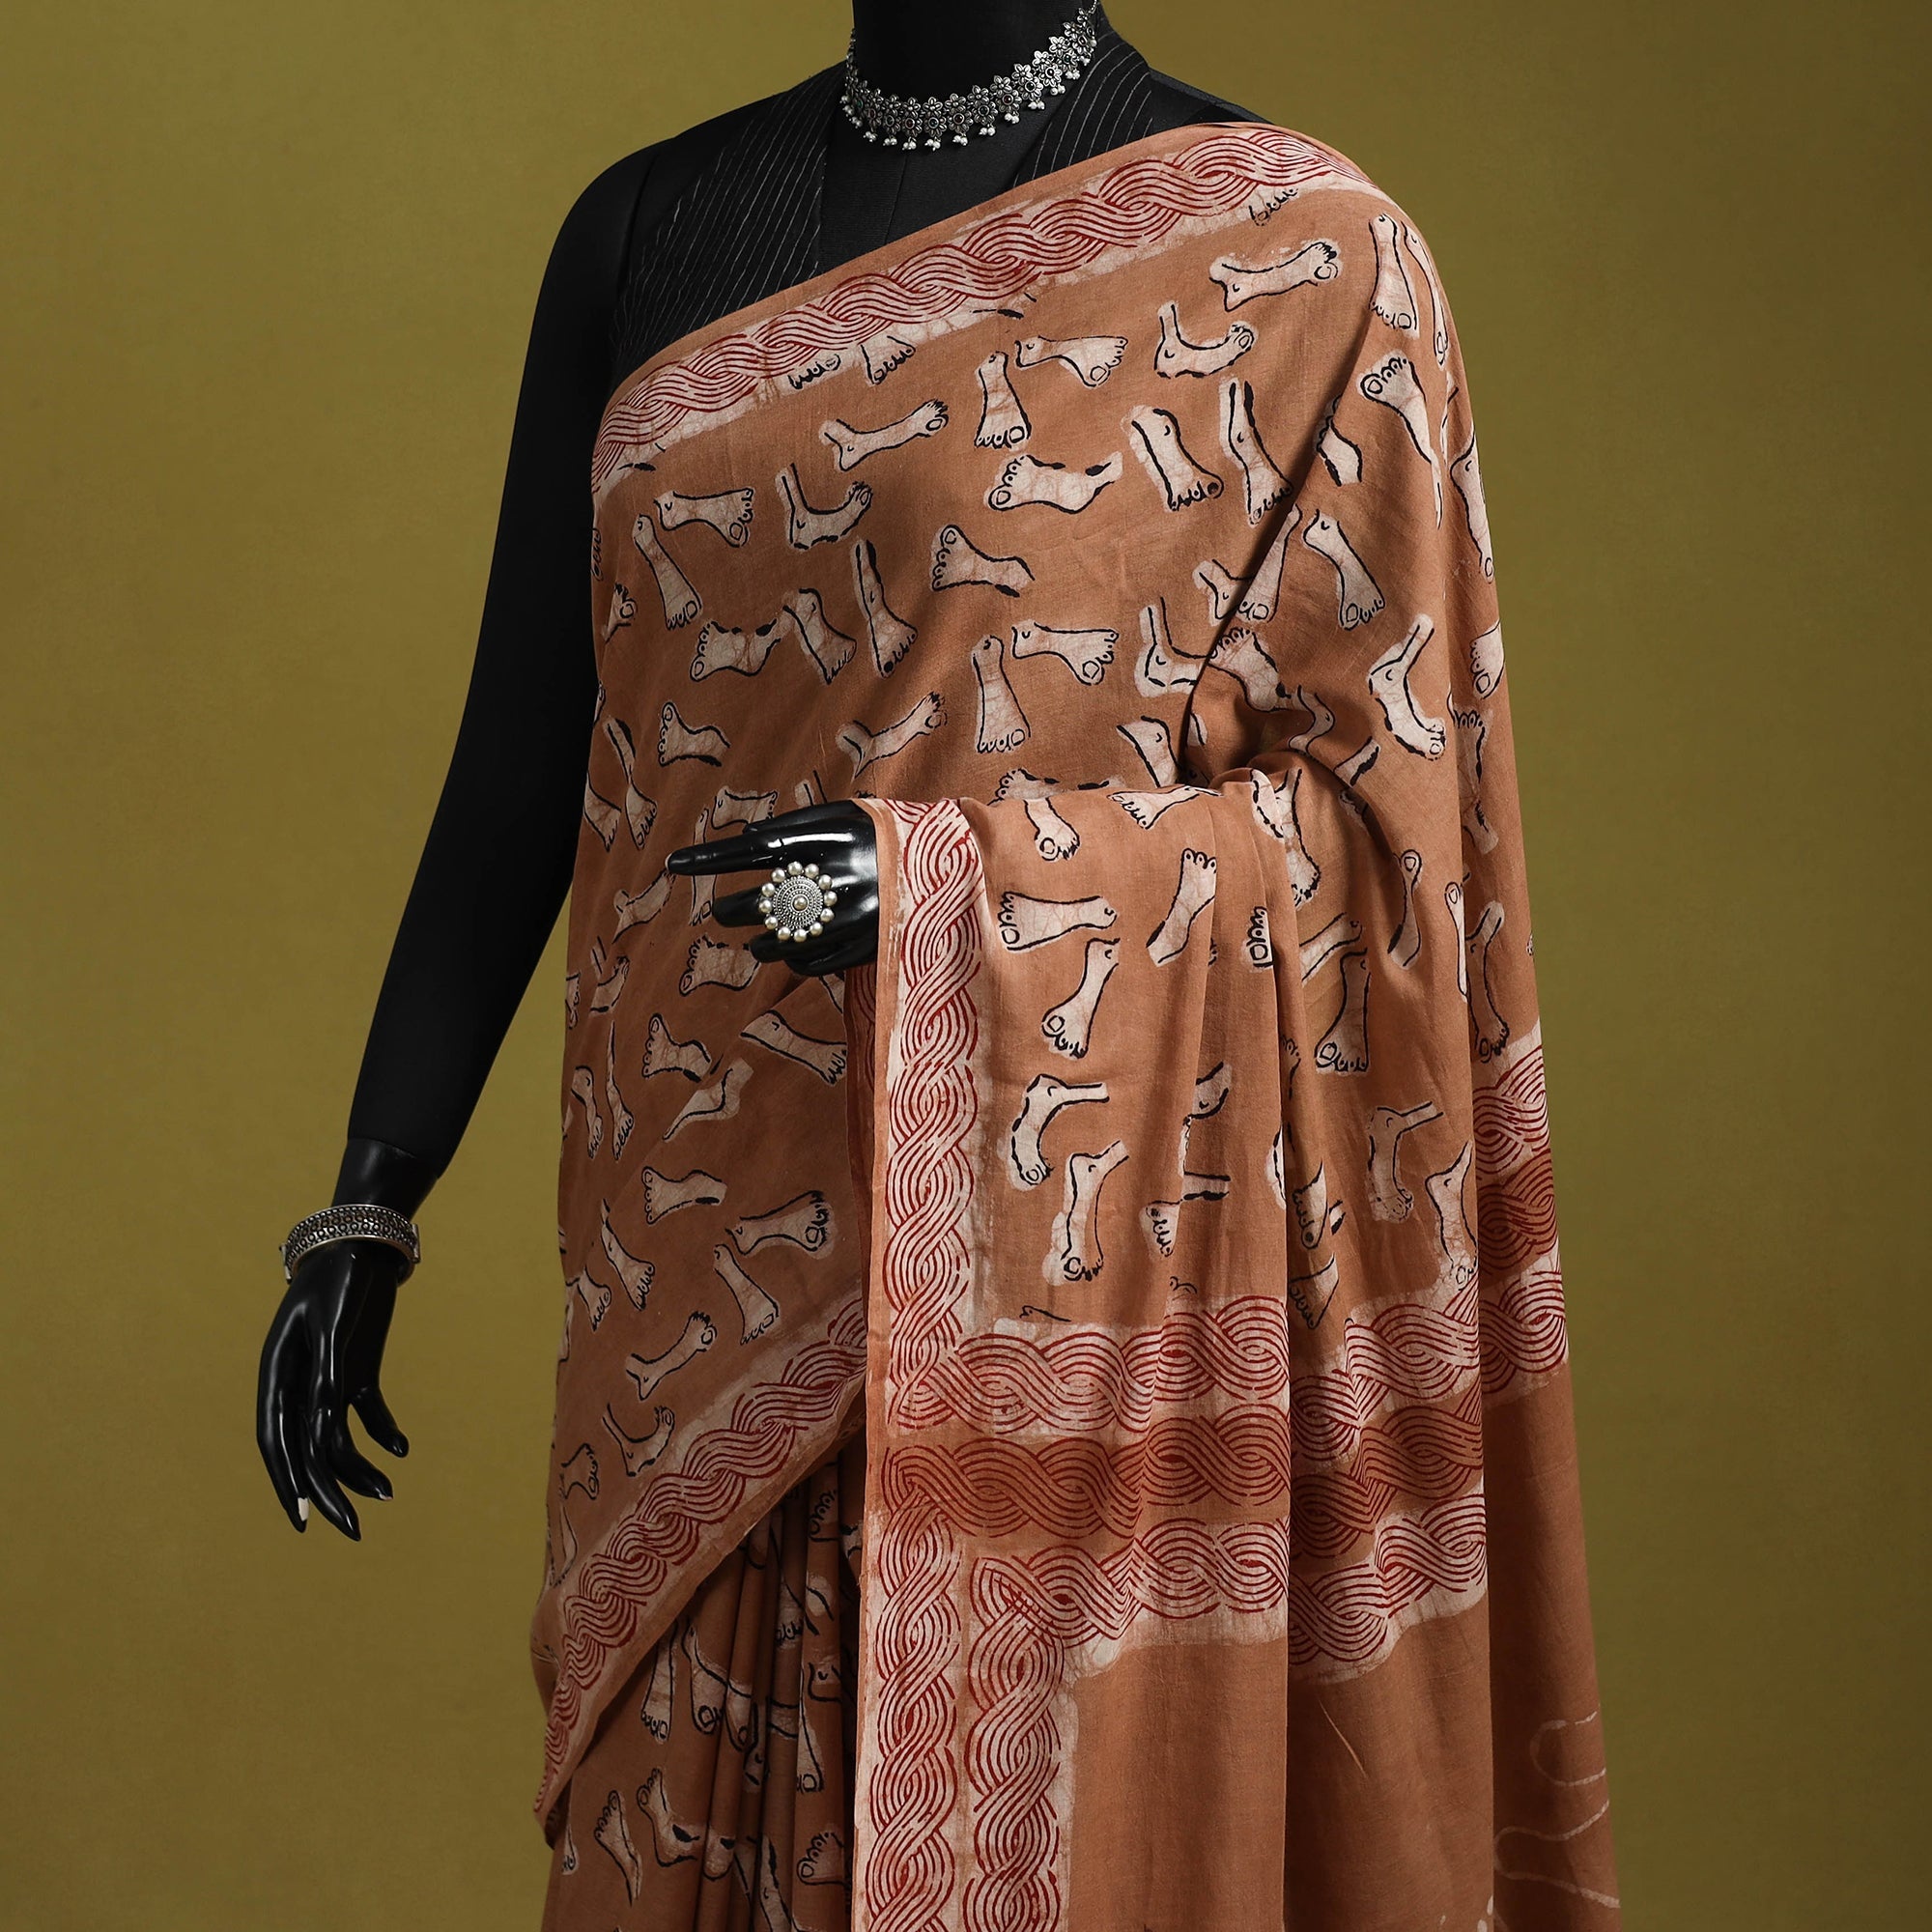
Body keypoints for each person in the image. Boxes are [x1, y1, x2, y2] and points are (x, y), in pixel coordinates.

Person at [258, 7, 1619, 1926]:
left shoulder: (1292, 252)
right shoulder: (646, 233)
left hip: (1054, 1282)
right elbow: (521, 759)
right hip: (691, 1292)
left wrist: (958, 896)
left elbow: (1380, 840)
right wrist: (369, 1201)